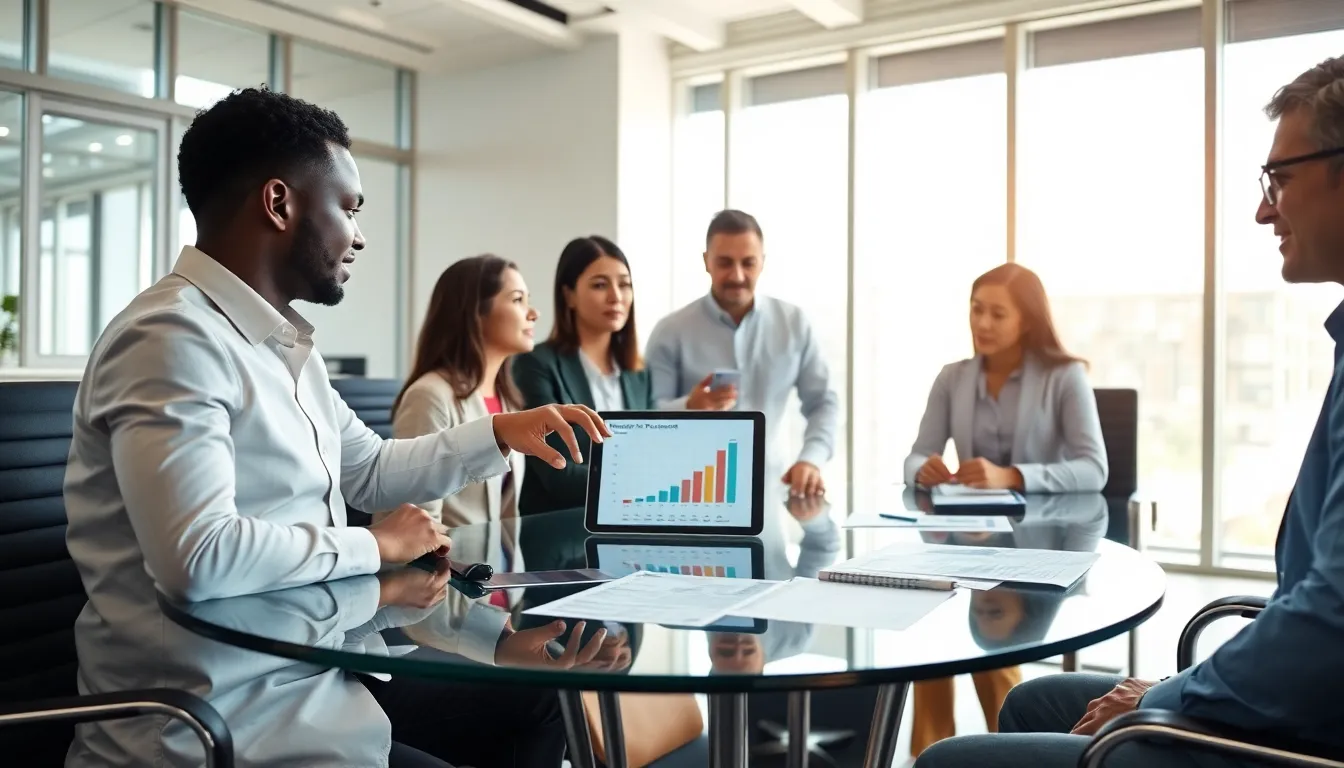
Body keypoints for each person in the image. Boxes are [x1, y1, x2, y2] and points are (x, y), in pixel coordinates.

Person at [62, 87, 609, 768]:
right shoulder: (170, 338)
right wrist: (372, 547)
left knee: (534, 698)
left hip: (312, 695)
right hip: (216, 733)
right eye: (348, 208)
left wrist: (500, 435)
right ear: (280, 203)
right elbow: (197, 559)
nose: (360, 234)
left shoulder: (281, 345)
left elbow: (371, 470)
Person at [915, 56, 1344, 768]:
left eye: (1281, 178)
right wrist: (1178, 688)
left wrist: (1170, 695)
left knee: (945, 761)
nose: (1264, 209)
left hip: (1308, 735)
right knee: (1026, 702)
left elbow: (1330, 617)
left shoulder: (1062, 378)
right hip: (1305, 691)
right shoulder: (952, 376)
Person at [902, 262, 1108, 756]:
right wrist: (924, 468)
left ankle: (1004, 751)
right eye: (977, 310)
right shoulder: (952, 378)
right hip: (964, 544)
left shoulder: (1063, 377)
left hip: (1043, 544)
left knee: (987, 651)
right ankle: (928, 754)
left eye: (998, 313)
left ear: (1026, 321)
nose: (983, 323)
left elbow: (1093, 468)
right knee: (931, 636)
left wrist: (1012, 475)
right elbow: (915, 454)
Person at [645, 210, 839, 497]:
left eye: (748, 263)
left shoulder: (794, 324)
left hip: (773, 491)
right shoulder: (670, 331)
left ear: (763, 263)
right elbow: (644, 416)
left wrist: (810, 459)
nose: (737, 276)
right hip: (687, 493)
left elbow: (823, 402)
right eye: (724, 263)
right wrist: (689, 407)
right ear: (706, 262)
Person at [390, 254, 536, 529]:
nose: (533, 313)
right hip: (448, 569)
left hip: (498, 567)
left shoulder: (508, 401)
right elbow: (418, 524)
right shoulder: (430, 397)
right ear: (475, 312)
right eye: (518, 300)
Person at [513, 235, 653, 514]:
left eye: (624, 284)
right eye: (600, 285)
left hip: (629, 525)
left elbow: (649, 454)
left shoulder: (638, 372)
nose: (616, 296)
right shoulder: (536, 364)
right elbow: (558, 473)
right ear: (569, 295)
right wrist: (643, 484)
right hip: (559, 529)